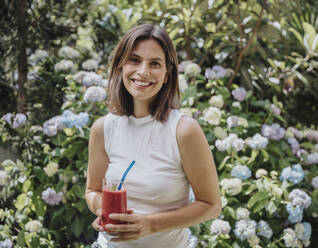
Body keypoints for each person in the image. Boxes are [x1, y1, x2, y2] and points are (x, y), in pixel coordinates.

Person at [85, 23, 221, 248]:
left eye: (155, 64)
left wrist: (150, 224)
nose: (143, 71)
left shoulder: (184, 131)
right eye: (134, 60)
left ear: (167, 74)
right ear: (121, 66)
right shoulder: (103, 129)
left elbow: (211, 205)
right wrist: (103, 209)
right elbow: (92, 191)